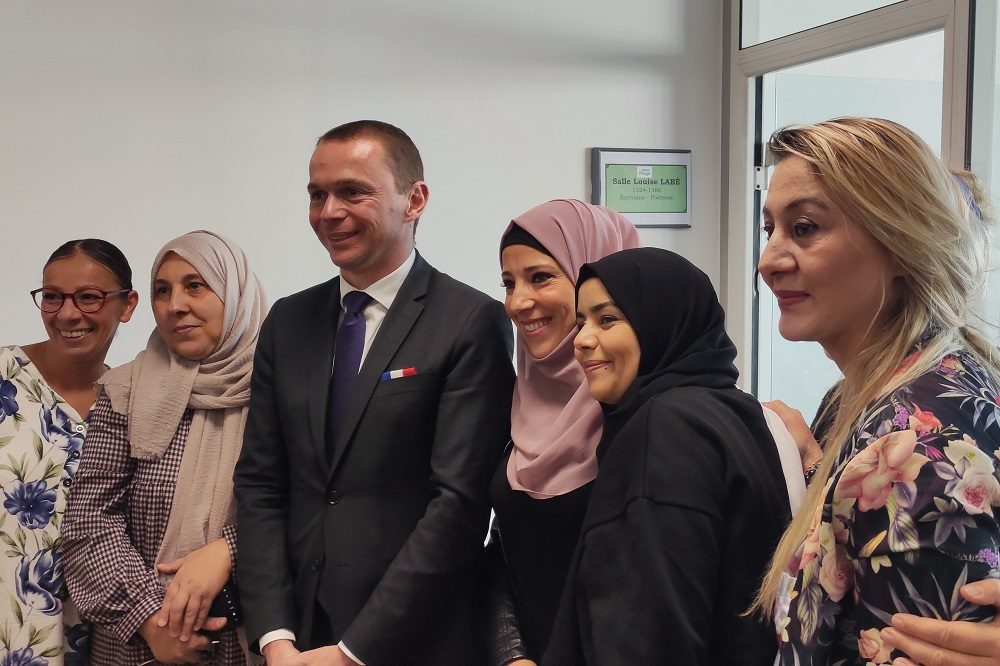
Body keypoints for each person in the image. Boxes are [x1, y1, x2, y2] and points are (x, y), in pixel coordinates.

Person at [234, 119, 515, 666]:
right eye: (318, 194)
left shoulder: (469, 322)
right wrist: (275, 636)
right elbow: (261, 484)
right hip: (295, 638)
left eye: (353, 192)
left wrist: (351, 652)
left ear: (415, 200)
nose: (329, 212)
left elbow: (459, 506)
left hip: (413, 641)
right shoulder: (288, 321)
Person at [752, 117, 1000, 665]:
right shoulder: (921, 381)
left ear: (898, 243)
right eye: (769, 227)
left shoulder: (909, 447)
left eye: (806, 228)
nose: (769, 260)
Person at [542, 247, 791, 665]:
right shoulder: (737, 413)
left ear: (661, 323)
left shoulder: (663, 429)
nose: (582, 340)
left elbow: (648, 637)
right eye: (581, 321)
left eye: (608, 319)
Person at [62, 230, 266, 665]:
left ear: (236, 293)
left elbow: (307, 506)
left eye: (196, 285)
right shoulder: (126, 391)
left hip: (252, 640)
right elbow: (88, 521)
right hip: (138, 646)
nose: (175, 305)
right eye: (162, 290)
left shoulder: (284, 391)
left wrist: (229, 549)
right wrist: (153, 620)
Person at [487, 199, 641, 666]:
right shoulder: (517, 399)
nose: (518, 302)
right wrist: (512, 655)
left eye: (540, 277)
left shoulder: (651, 415)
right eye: (508, 283)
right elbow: (504, 545)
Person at [1, 239, 138, 665]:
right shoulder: (6, 379)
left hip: (97, 641)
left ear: (127, 305)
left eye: (89, 298)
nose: (67, 314)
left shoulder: (131, 403)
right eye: (53, 297)